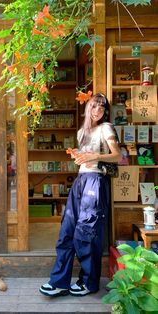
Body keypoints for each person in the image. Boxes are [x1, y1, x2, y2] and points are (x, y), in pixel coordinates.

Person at [39, 93, 121, 297]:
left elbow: (117, 156)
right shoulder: (81, 133)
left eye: (101, 108)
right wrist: (79, 155)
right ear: (88, 108)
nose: (97, 111)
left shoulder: (106, 128)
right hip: (81, 181)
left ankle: (88, 282)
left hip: (96, 181)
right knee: (67, 230)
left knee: (87, 232)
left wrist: (94, 156)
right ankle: (59, 281)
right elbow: (85, 159)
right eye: (94, 107)